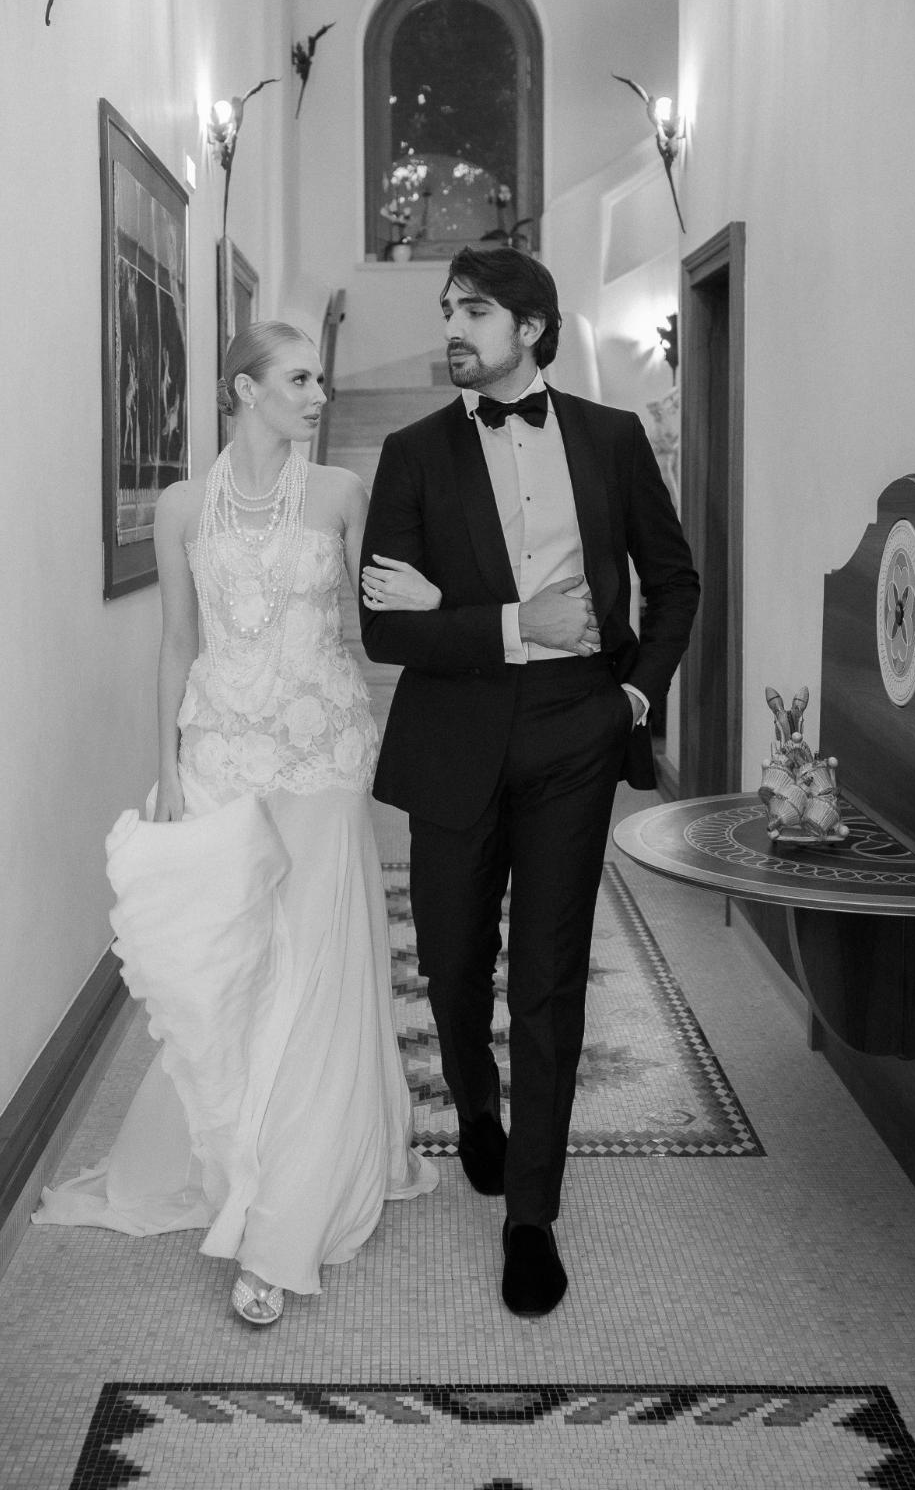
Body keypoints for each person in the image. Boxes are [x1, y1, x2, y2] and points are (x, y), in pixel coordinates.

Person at [36, 321, 436, 1325]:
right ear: (243, 390)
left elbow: (384, 621)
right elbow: (178, 638)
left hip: (326, 756)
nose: (316, 396)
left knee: (324, 967)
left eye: (320, 380)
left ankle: (284, 1228)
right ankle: (241, 1162)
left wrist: (438, 598)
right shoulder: (180, 508)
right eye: (298, 379)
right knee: (244, 968)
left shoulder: (343, 494)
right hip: (219, 754)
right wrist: (163, 764)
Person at [359, 247, 699, 1317]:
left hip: (575, 732)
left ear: (535, 328)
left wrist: (634, 696)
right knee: (455, 962)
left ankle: (532, 1220)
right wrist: (509, 624)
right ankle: (474, 1105)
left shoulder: (609, 437)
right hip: (455, 730)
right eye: (448, 309)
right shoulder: (414, 455)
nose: (453, 327)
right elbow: (380, 625)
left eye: (475, 311)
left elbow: (674, 578)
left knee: (549, 974)